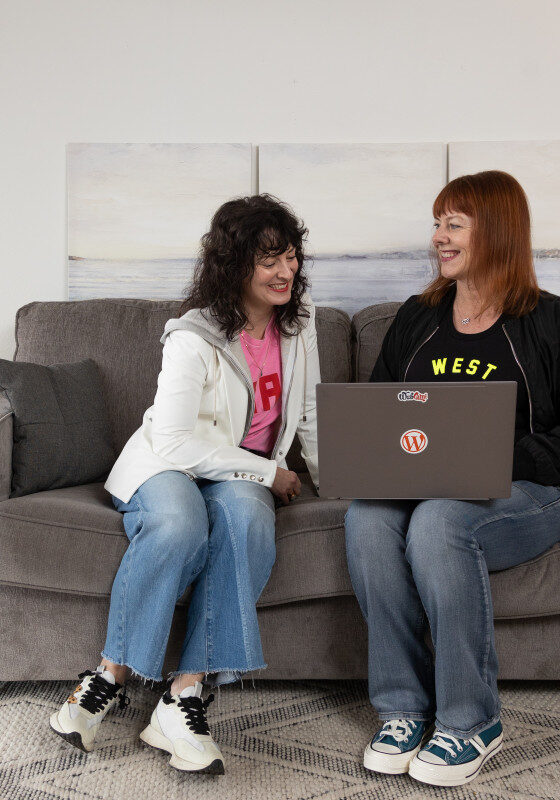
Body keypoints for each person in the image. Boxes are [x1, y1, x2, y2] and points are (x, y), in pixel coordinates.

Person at [49, 194, 320, 774]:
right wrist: (267, 471)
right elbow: (172, 442)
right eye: (269, 259)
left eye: (291, 257)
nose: (285, 272)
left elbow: (313, 410)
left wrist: (336, 480)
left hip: (238, 475)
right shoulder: (193, 336)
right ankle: (109, 675)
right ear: (235, 264)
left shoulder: (300, 325)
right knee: (177, 523)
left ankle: (183, 697)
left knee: (247, 518)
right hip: (168, 464)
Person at [345, 170, 560, 788]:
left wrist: (482, 456)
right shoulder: (418, 317)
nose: (438, 237)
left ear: (494, 231)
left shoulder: (547, 324)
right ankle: (403, 710)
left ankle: (473, 722)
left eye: (453, 224)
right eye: (437, 224)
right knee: (367, 517)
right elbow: (380, 412)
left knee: (439, 520)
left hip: (527, 493)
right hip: (426, 482)